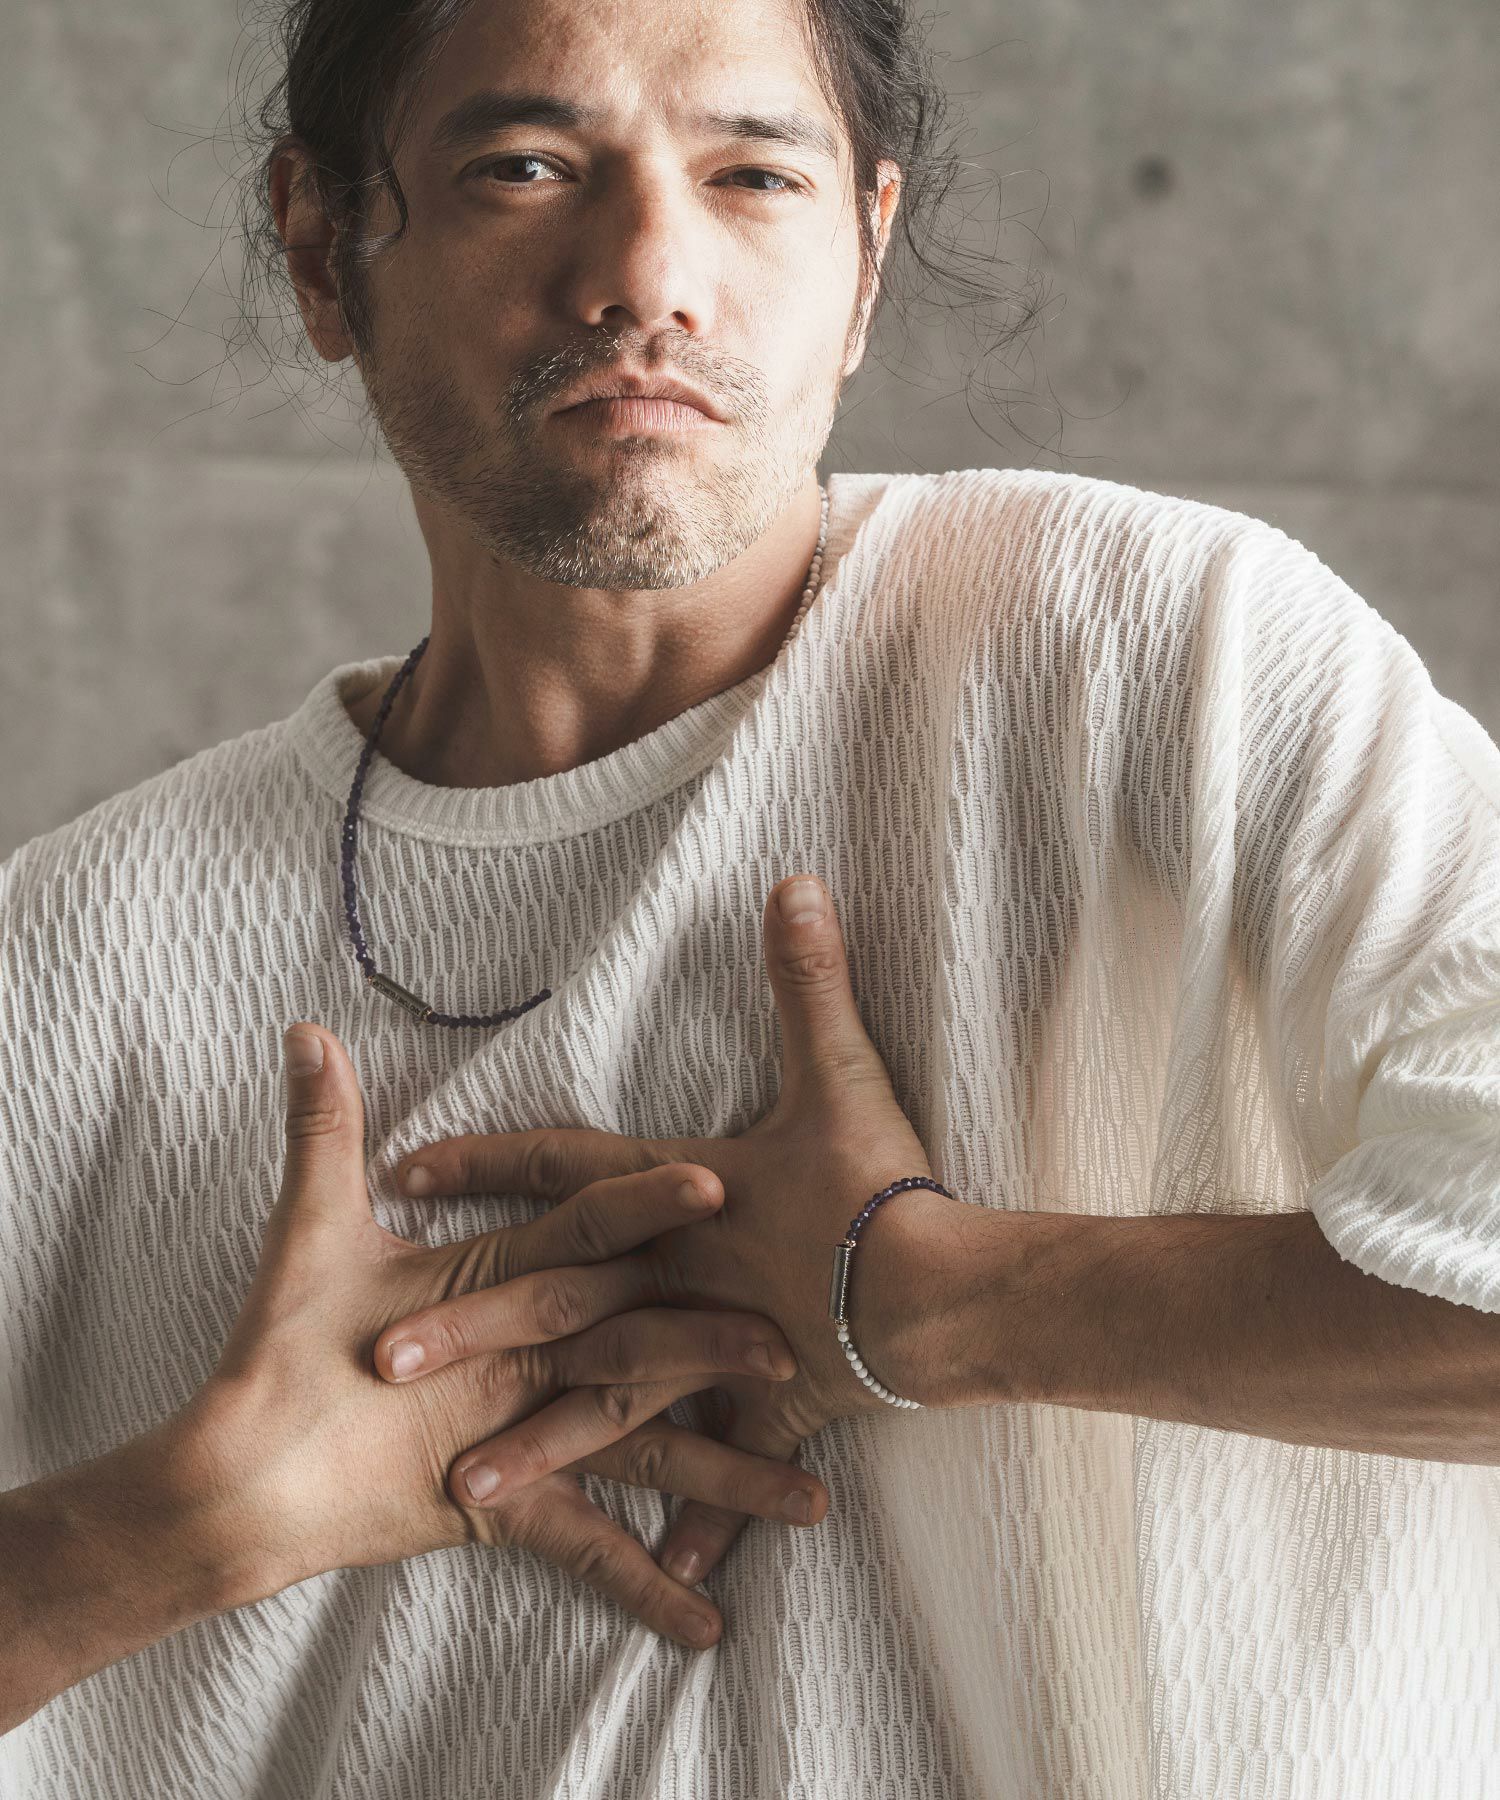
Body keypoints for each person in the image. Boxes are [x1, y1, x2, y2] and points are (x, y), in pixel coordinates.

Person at [3, 0, 1498, 1791]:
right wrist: (184, 1523)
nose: (648, 274)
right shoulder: (75, 949)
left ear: (863, 258)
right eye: (524, 167)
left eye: (752, 176)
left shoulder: (1155, 653)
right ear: (327, 250)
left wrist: (928, 1298)